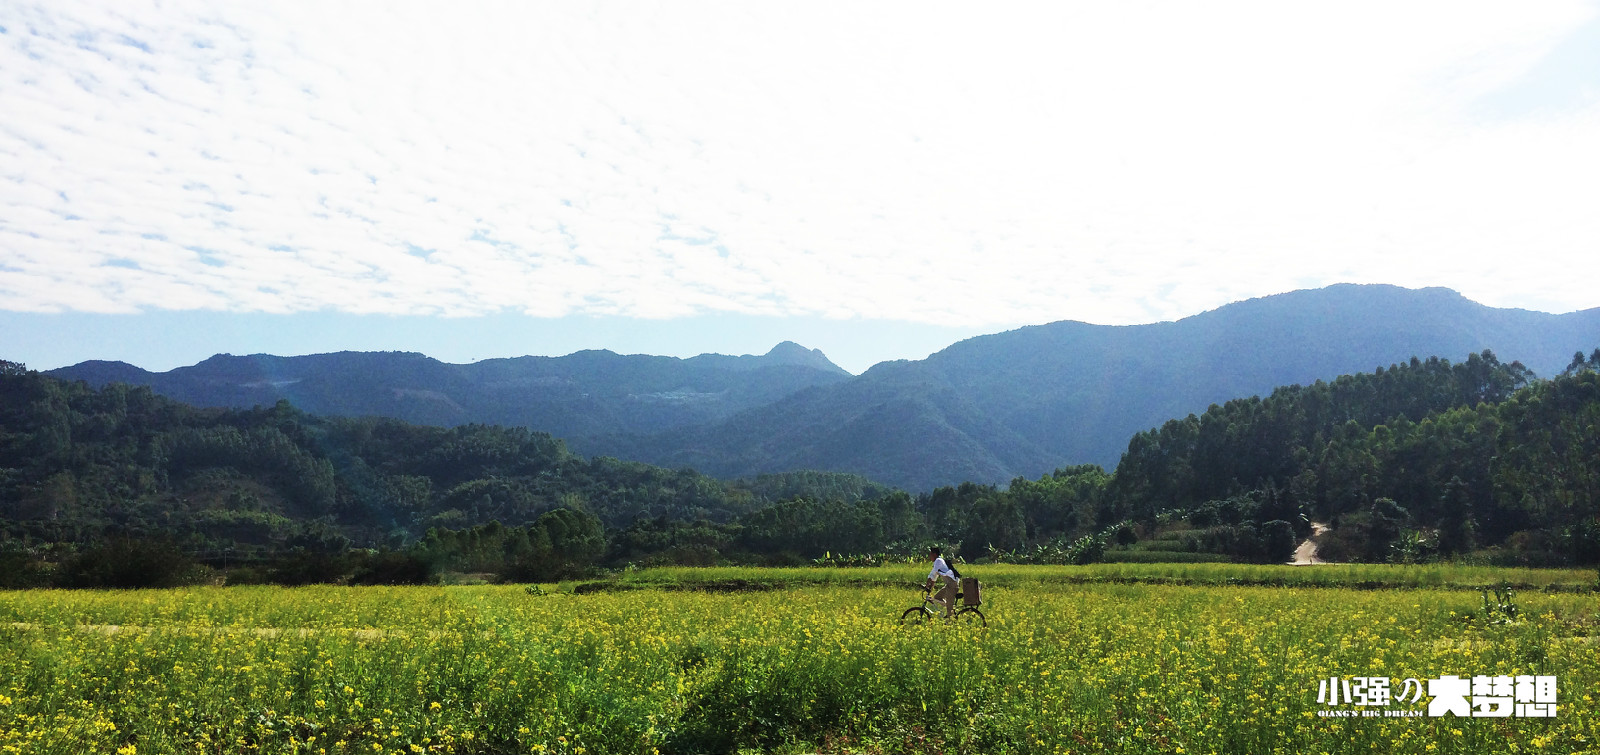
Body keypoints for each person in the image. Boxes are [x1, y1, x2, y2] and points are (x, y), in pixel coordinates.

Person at [924, 546, 960, 618]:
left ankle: (950, 620)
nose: (929, 557)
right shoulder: (938, 562)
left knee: (949, 609)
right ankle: (950, 608)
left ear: (934, 554)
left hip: (952, 584)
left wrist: (926, 585)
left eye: (930, 554)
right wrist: (930, 589)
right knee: (937, 597)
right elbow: (934, 578)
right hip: (949, 585)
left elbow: (932, 574)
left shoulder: (938, 561)